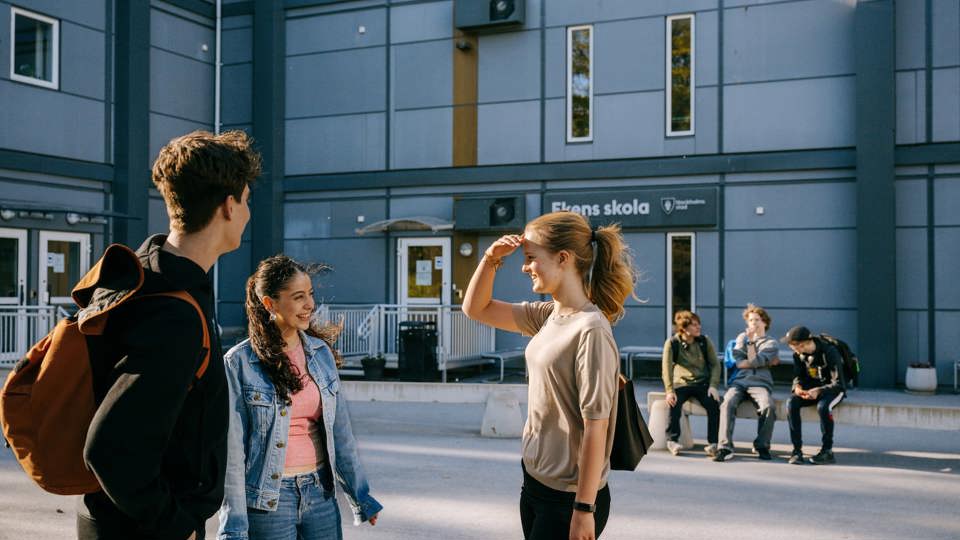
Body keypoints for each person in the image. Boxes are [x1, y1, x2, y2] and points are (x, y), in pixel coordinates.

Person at [78, 130, 261, 539]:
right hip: (143, 529)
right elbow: (107, 448)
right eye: (247, 201)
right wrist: (177, 528)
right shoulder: (172, 311)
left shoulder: (145, 274)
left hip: (114, 518)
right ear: (228, 206)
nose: (248, 214)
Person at [462, 211, 636, 540]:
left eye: (531, 258)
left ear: (563, 258)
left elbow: (596, 426)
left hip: (569, 499)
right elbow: (476, 309)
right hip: (535, 482)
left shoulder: (591, 329)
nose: (524, 267)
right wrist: (490, 258)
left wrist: (584, 509)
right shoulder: (549, 314)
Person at [218, 255, 382, 539]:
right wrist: (234, 528)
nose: (310, 305)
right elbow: (232, 452)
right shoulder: (239, 362)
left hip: (320, 492)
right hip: (269, 501)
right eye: (298, 297)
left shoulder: (320, 354)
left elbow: (340, 431)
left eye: (310, 294)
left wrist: (360, 495)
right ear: (270, 303)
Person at [713, 304, 779, 462]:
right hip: (740, 382)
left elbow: (753, 361)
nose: (753, 323)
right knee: (727, 403)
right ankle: (724, 447)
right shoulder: (741, 337)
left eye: (757, 320)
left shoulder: (771, 343)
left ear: (765, 322)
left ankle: (762, 445)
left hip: (760, 383)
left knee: (768, 406)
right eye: (750, 320)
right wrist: (756, 360)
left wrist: (750, 347)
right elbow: (739, 363)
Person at [661, 310, 721, 457]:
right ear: (684, 327)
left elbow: (715, 365)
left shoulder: (704, 341)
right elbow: (666, 368)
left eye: (698, 324)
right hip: (681, 383)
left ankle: (713, 443)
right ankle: (672, 440)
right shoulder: (672, 343)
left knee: (714, 404)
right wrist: (669, 391)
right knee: (674, 402)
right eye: (694, 325)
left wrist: (713, 386)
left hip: (702, 383)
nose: (698, 327)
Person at [783, 325, 845, 465]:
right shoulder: (798, 355)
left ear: (801, 344)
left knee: (823, 407)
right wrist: (797, 387)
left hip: (833, 390)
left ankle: (827, 451)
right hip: (812, 390)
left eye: (792, 345)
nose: (791, 348)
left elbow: (839, 384)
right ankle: (797, 451)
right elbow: (798, 376)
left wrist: (819, 391)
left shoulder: (829, 352)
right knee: (791, 402)